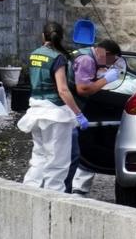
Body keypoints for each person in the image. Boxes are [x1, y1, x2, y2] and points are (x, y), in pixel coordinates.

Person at [17, 21, 89, 192]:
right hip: (55, 114)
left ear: (43, 36)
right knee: (58, 162)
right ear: (61, 37)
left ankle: (28, 191)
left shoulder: (34, 54)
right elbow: (63, 90)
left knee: (39, 156)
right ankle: (53, 198)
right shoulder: (58, 57)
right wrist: (78, 113)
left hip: (36, 110)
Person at [64, 39, 121, 195]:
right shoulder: (87, 60)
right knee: (73, 153)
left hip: (67, 109)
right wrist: (105, 79)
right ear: (107, 54)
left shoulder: (83, 53)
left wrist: (98, 74)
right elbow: (83, 89)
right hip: (69, 110)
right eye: (112, 61)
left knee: (68, 152)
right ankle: (67, 190)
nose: (110, 65)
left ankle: (68, 188)